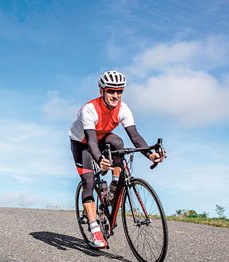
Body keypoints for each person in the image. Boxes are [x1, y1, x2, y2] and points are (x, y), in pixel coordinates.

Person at [69, 70, 165, 249]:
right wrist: (99, 159)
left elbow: (135, 137)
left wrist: (150, 155)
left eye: (119, 91)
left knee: (119, 143)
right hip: (82, 141)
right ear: (102, 91)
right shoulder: (89, 110)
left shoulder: (123, 108)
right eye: (111, 91)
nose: (115, 95)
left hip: (103, 136)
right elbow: (91, 142)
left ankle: (113, 189)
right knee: (88, 181)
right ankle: (95, 230)